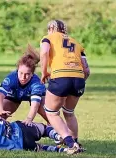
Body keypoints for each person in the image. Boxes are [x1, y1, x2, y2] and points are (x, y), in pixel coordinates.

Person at [39, 20, 90, 153]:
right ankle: (76, 142)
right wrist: (78, 81)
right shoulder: (76, 42)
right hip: (79, 78)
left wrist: (44, 72)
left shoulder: (48, 38)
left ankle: (70, 144)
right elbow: (87, 70)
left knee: (51, 112)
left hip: (60, 76)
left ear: (51, 29)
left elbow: (44, 53)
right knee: (69, 113)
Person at [0, 115, 82, 154]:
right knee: (45, 129)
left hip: (19, 143)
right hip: (20, 127)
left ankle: (64, 150)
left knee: (40, 148)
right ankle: (61, 138)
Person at [0, 44, 48, 125]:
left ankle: (55, 132)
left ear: (32, 74)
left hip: (36, 98)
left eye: (27, 74)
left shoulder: (37, 83)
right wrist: (0, 109)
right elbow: (0, 95)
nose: (23, 77)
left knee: (50, 116)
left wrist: (29, 119)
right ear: (17, 70)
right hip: (15, 96)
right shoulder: (11, 78)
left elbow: (35, 105)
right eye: (21, 73)